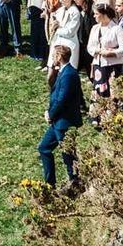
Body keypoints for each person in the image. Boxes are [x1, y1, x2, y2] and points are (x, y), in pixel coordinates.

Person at [38, 44, 84, 186]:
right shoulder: (65, 72)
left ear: (59, 56)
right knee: (44, 147)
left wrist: (50, 114)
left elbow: (62, 99)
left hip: (64, 121)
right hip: (58, 121)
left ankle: (75, 181)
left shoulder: (69, 74)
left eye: (54, 55)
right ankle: (50, 183)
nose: (52, 58)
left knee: (68, 154)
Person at [87, 2, 123, 103]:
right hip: (98, 66)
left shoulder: (116, 29)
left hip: (112, 66)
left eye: (96, 14)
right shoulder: (95, 28)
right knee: (99, 92)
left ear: (104, 14)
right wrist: (98, 51)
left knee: (113, 93)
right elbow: (90, 47)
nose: (94, 16)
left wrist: (112, 53)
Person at [49, 0, 82, 78]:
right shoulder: (61, 10)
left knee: (65, 74)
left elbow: (70, 31)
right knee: (52, 73)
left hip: (68, 44)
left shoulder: (75, 12)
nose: (61, 1)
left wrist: (57, 29)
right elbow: (54, 17)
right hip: (58, 43)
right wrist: (53, 21)